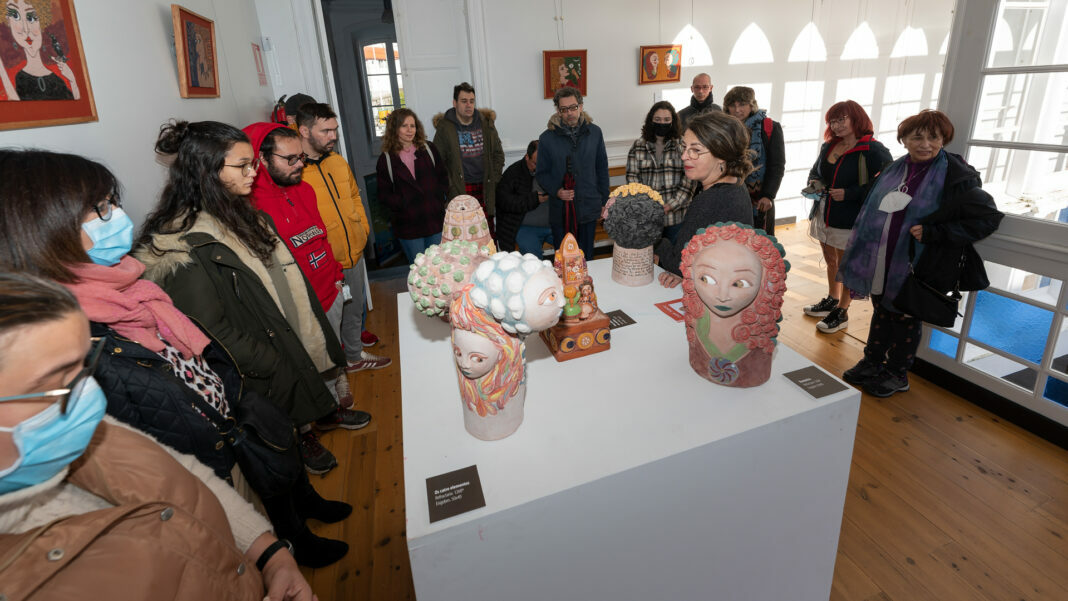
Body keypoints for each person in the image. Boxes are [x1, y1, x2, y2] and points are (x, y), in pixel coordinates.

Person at [0, 148, 354, 568]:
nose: (118, 216)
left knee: (276, 460)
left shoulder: (125, 282)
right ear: (40, 229)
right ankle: (296, 538)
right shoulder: (71, 335)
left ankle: (299, 519)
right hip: (205, 447)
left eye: (113, 202)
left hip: (223, 409)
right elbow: (148, 462)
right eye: (101, 208)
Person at [0, 272, 314, 600]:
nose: (90, 395)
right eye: (55, 382)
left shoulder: (85, 432)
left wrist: (271, 556)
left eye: (83, 369)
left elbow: (182, 480)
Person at [134, 120, 360, 476]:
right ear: (207, 172)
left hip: (281, 343)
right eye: (242, 165)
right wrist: (273, 360)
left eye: (252, 163)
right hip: (261, 365)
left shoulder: (240, 212)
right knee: (279, 458)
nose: (253, 173)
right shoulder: (183, 246)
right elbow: (210, 329)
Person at [837, 110, 1003, 397]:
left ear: (943, 140)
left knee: (905, 317)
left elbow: (988, 218)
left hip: (919, 263)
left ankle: (897, 373)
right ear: (904, 140)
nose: (925, 144)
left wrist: (935, 233)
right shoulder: (895, 169)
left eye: (933, 138)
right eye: (917, 137)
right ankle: (872, 362)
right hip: (882, 258)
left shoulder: (955, 176)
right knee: (882, 311)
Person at [244, 122, 381, 417]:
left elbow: (320, 236)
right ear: (262, 159)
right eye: (290, 159)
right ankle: (329, 409)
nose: (299, 165)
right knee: (312, 362)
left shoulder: (304, 190)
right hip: (299, 304)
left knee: (332, 349)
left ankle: (339, 378)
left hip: (329, 289)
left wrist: (336, 277)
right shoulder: (251, 206)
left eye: (301, 157)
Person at [295, 103, 392, 373]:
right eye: (325, 131)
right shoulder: (295, 172)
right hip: (324, 262)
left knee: (354, 308)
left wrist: (362, 229)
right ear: (304, 131)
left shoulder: (337, 161)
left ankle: (354, 356)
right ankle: (334, 371)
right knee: (327, 318)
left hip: (354, 252)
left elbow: (354, 196)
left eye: (334, 129)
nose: (333, 136)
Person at [804, 100, 893, 334]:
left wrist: (850, 193)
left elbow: (886, 183)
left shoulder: (873, 150)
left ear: (856, 118)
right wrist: (814, 182)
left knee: (848, 265)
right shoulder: (829, 146)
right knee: (830, 260)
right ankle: (832, 299)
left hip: (851, 217)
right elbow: (816, 171)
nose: (836, 125)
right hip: (824, 211)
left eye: (841, 119)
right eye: (832, 121)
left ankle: (842, 311)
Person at [654, 111, 755, 286]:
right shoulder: (737, 184)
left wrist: (657, 243)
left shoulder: (710, 200)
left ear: (721, 155)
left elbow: (680, 264)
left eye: (696, 150)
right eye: (684, 147)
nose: (684, 156)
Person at [536, 86, 609, 260]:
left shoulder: (595, 132)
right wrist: (557, 191)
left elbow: (601, 169)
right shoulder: (546, 138)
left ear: (581, 106)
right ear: (558, 111)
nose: (569, 113)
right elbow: (542, 174)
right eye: (564, 109)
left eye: (573, 107)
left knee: (587, 259)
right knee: (565, 260)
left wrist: (604, 201)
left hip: (589, 206)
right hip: (562, 211)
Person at [376, 108, 449, 262]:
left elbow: (443, 177)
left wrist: (439, 198)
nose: (410, 130)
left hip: (434, 221)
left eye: (412, 126)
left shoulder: (429, 149)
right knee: (419, 270)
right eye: (404, 126)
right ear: (395, 128)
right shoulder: (386, 159)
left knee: (438, 267)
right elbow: (384, 195)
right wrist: (403, 203)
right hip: (409, 227)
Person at [432, 82, 505, 238]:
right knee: (465, 237)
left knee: (486, 235)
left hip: (485, 187)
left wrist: (494, 178)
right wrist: (451, 186)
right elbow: (438, 163)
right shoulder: (445, 127)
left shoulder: (486, 123)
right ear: (455, 103)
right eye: (464, 101)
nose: (468, 105)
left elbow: (498, 154)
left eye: (472, 101)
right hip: (460, 189)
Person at [626, 101, 693, 243]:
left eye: (666, 120)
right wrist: (646, 204)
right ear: (651, 120)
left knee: (675, 254)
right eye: (658, 119)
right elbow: (632, 178)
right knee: (650, 254)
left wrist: (671, 205)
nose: (662, 123)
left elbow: (689, 181)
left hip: (676, 216)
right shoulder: (638, 146)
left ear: (673, 121)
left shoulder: (682, 145)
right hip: (647, 216)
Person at [723, 86, 786, 236]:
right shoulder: (724, 128)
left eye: (742, 104)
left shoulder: (770, 127)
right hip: (730, 196)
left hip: (760, 200)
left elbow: (777, 165)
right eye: (732, 105)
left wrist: (768, 195)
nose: (737, 110)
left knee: (760, 242)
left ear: (752, 105)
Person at [0, 0, 80, 101]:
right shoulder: (20, 78)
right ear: (8, 23)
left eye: (31, 18)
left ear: (42, 22)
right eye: (15, 16)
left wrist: (72, 80)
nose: (26, 29)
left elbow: (78, 105)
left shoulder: (58, 80)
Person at [496, 140, 552, 255]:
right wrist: (534, 199)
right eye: (535, 164)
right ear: (527, 157)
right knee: (532, 258)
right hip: (524, 227)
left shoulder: (552, 170)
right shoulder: (514, 172)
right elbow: (503, 202)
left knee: (574, 248)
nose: (539, 168)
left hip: (553, 225)